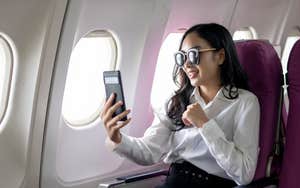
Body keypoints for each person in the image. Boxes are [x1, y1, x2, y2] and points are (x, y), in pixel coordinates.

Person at [101, 23, 260, 187]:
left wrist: (204, 124)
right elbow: (149, 152)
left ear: (220, 56)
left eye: (193, 54)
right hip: (174, 181)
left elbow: (244, 173)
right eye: (182, 57)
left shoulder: (245, 102)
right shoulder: (176, 101)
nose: (186, 64)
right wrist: (117, 138)